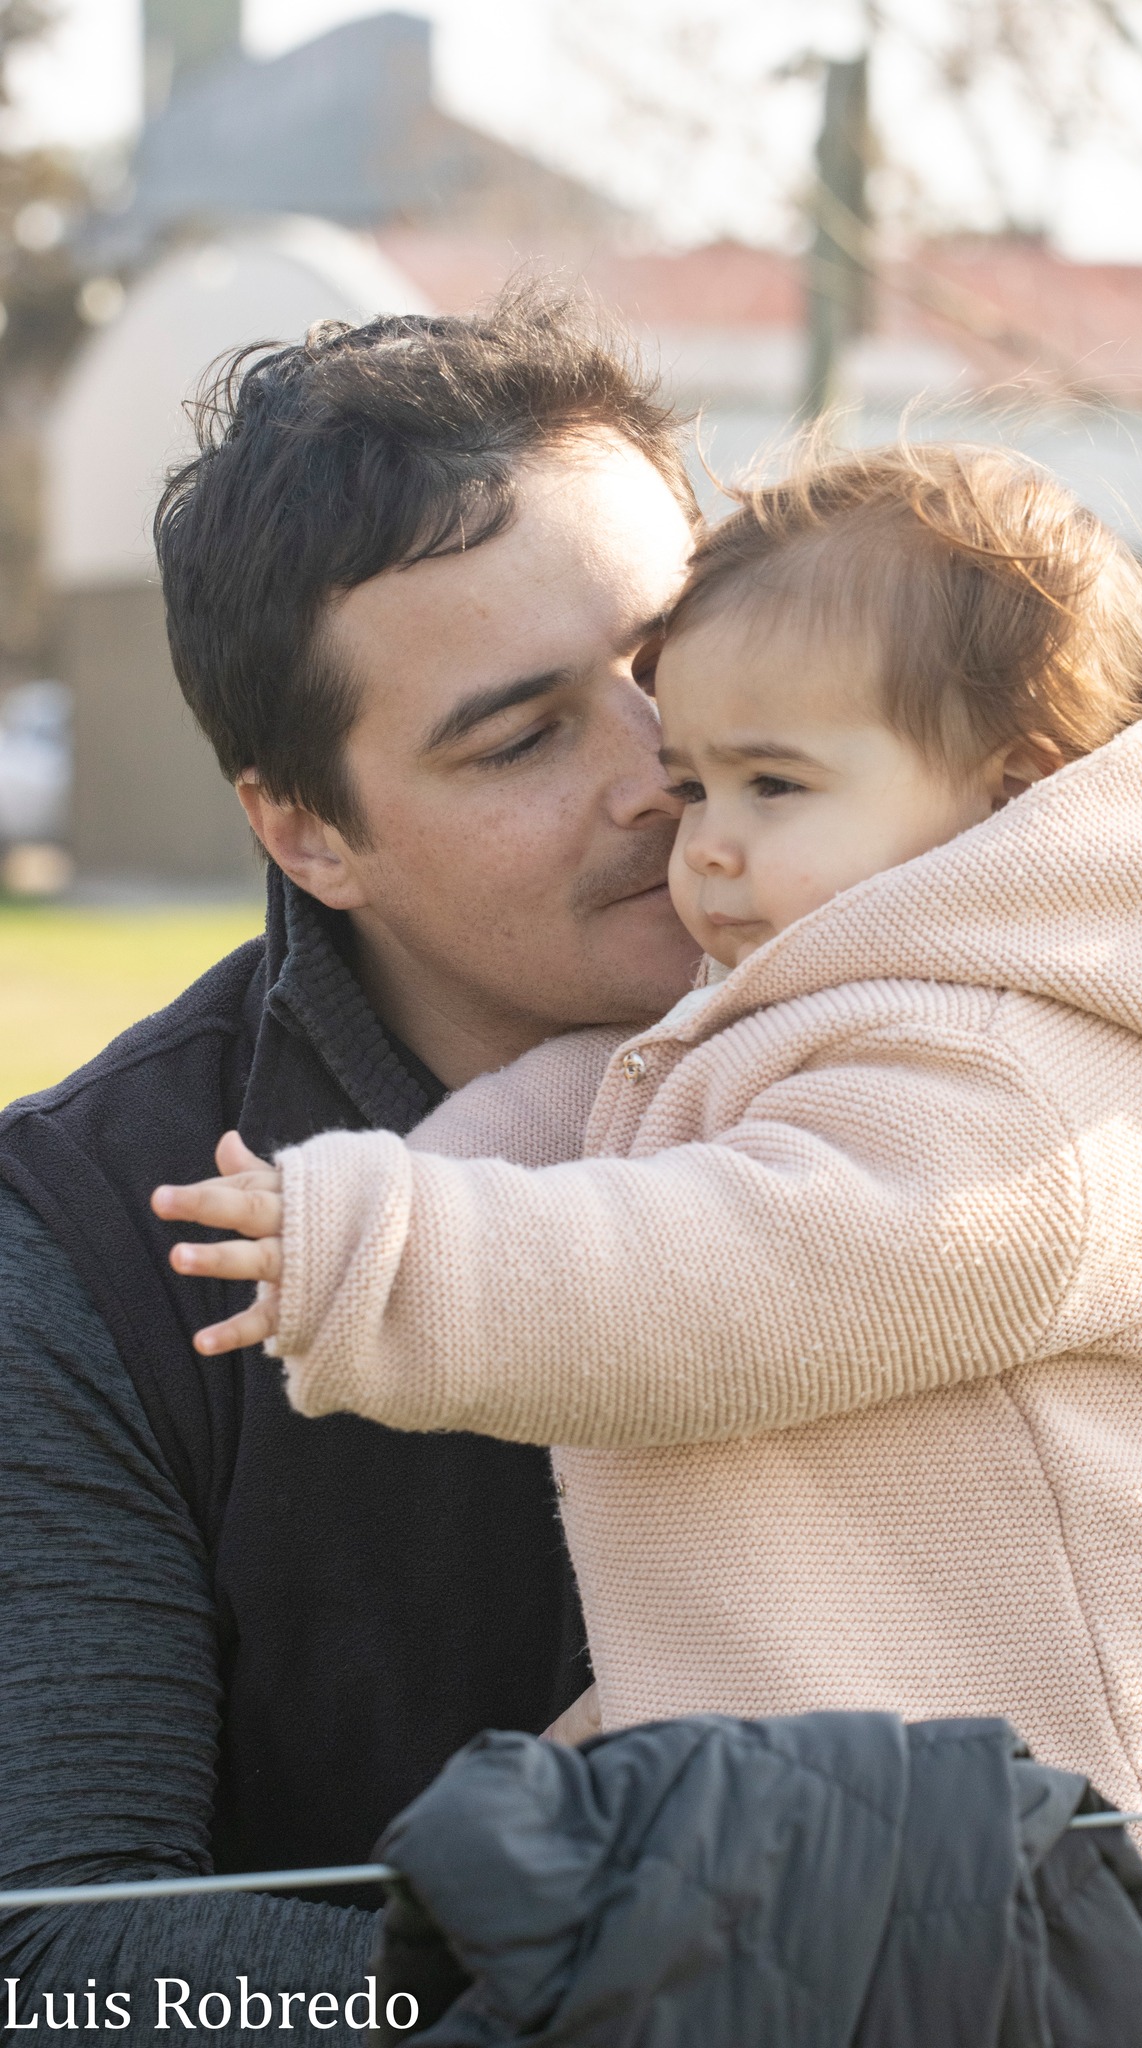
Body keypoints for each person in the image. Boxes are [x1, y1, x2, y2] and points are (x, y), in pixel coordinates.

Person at [161, 443, 1142, 2045]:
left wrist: (381, 1252)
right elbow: (617, 1106)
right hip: (937, 1808)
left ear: (1006, 791)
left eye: (770, 785)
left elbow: (744, 1273)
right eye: (700, 777)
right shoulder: (861, 1004)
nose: (697, 835)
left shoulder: (1025, 1074)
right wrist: (382, 1184)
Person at [0, 291, 703, 2023]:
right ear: (306, 831)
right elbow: (61, 1959)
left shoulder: (1011, 1054)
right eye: (522, 737)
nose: (662, 773)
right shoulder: (88, 1242)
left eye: (674, 659)